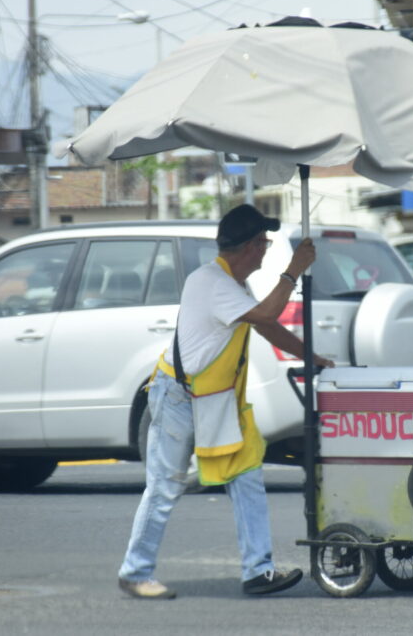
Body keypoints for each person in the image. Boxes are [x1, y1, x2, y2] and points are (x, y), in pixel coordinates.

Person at [117, 204, 334, 599]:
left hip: (213, 400)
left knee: (247, 476)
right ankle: (135, 572)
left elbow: (268, 326)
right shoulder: (212, 282)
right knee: (165, 486)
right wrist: (294, 269)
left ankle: (258, 571)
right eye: (265, 242)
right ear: (252, 246)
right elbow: (270, 311)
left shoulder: (234, 286)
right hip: (178, 398)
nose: (267, 249)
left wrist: (310, 356)